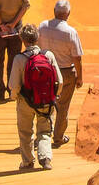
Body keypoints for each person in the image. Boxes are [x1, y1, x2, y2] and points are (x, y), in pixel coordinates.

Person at [8, 22, 62, 171]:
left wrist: (15, 97)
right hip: (46, 101)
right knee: (44, 131)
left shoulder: (19, 59)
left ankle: (27, 162)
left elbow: (14, 85)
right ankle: (45, 159)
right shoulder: (48, 55)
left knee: (25, 132)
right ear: (37, 38)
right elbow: (60, 80)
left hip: (25, 101)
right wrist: (54, 96)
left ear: (23, 40)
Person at [38, 0, 84, 147]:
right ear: (68, 14)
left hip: (46, 70)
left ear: (54, 11)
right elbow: (77, 57)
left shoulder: (42, 26)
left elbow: (37, 47)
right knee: (63, 106)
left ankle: (43, 134)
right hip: (65, 73)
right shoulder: (71, 32)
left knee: (46, 103)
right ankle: (58, 137)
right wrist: (80, 77)